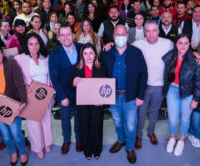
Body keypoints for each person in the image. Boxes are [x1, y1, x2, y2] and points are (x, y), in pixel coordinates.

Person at [101, 25, 147, 164]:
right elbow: (101, 74)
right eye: (117, 34)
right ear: (114, 37)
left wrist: (140, 96)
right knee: (118, 121)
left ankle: (130, 147)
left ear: (127, 36)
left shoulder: (136, 52)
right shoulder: (106, 53)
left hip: (131, 96)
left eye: (123, 34)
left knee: (131, 124)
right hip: (112, 96)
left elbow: (143, 75)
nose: (120, 36)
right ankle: (121, 140)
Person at [132, 20, 173, 149]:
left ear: (158, 31)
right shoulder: (136, 44)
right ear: (144, 32)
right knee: (141, 112)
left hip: (160, 85)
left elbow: (181, 52)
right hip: (144, 86)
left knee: (155, 111)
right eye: (148, 31)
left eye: (154, 30)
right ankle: (138, 135)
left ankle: (150, 132)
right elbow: (123, 51)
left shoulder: (168, 44)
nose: (151, 34)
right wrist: (110, 44)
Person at [162, 33, 200, 156]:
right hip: (172, 90)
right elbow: (165, 75)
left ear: (190, 45)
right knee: (173, 118)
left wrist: (196, 99)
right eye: (180, 43)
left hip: (188, 92)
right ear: (176, 44)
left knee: (185, 118)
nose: (183, 46)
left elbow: (199, 82)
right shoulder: (170, 56)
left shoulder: (195, 60)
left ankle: (181, 140)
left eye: (186, 43)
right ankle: (172, 137)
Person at [14, 33, 53, 159]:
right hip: (30, 95)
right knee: (33, 123)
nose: (34, 46)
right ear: (26, 45)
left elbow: (50, 74)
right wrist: (22, 85)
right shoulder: (19, 59)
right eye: (31, 44)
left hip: (45, 94)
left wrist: (51, 84)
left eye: (37, 43)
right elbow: (14, 77)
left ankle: (47, 142)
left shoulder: (46, 57)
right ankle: (37, 148)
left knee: (46, 120)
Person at [68, 43, 107, 160]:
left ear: (95, 54)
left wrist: (102, 101)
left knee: (97, 125)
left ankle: (97, 149)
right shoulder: (75, 68)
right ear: (82, 55)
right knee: (84, 126)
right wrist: (73, 82)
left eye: (91, 53)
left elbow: (106, 87)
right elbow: (69, 86)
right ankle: (87, 150)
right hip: (82, 104)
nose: (88, 56)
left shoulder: (101, 67)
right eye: (85, 53)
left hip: (97, 103)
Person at [49, 25, 82, 154]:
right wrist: (62, 96)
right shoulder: (54, 53)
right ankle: (67, 140)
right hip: (65, 93)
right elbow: (54, 78)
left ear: (73, 36)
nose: (65, 37)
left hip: (81, 92)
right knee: (66, 119)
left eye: (68, 34)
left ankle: (79, 139)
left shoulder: (81, 48)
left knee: (80, 117)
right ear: (58, 37)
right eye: (62, 35)